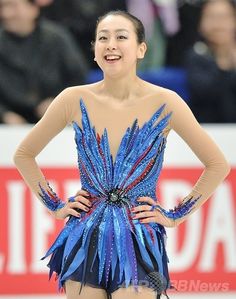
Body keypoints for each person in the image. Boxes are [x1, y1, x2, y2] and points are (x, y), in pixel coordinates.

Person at [13, 10, 230, 299]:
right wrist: (54, 205)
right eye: (103, 38)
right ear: (94, 51)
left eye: (121, 37)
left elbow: (217, 164)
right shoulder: (73, 99)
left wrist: (176, 215)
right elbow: (24, 154)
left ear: (141, 49)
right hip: (85, 235)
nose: (110, 44)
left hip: (138, 237)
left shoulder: (166, 102)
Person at [0, 0, 88, 124]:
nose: (5, 13)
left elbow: (79, 78)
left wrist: (58, 101)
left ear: (33, 9)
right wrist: (4, 114)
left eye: (13, 6)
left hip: (56, 117)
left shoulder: (57, 38)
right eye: (2, 7)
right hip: (9, 123)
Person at [185, 0, 236, 123]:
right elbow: (204, 92)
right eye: (211, 17)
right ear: (201, 23)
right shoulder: (196, 55)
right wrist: (224, 61)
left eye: (224, 17)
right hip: (208, 130)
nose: (218, 24)